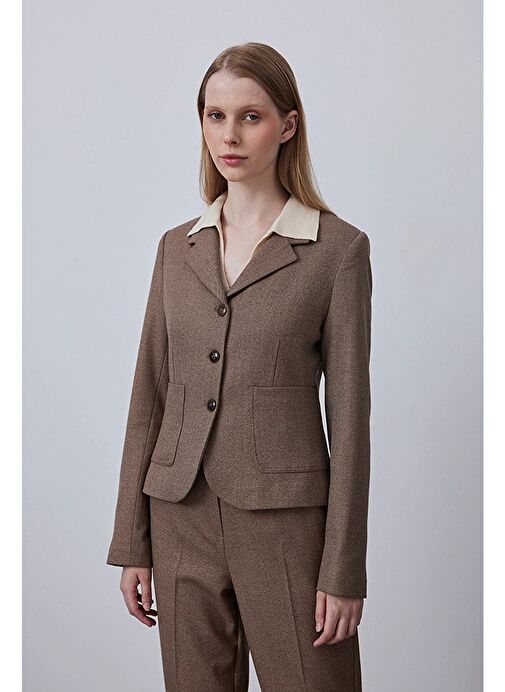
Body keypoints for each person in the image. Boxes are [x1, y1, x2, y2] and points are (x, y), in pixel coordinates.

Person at [106, 41, 372, 691]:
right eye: (215, 115)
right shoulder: (177, 249)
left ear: (287, 125)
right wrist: (131, 542)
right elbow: (150, 395)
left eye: (250, 116)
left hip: (286, 525)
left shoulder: (336, 251)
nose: (229, 135)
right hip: (179, 518)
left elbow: (349, 420)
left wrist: (343, 569)